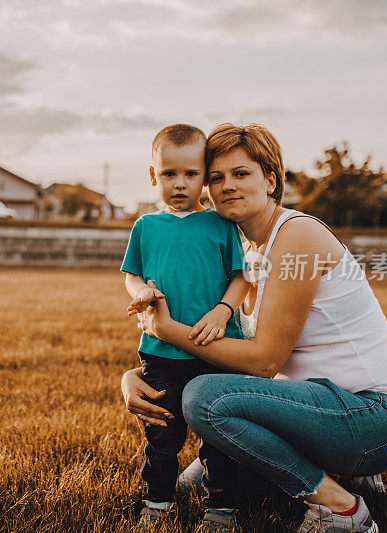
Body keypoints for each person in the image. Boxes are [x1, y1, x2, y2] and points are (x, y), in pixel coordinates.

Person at [122, 123, 387, 533]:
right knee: (194, 480)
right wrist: (136, 375)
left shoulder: (297, 236)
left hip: (375, 415)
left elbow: (263, 362)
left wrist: (164, 328)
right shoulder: (246, 253)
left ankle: (342, 508)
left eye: (241, 174)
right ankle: (344, 469)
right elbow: (234, 348)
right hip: (317, 407)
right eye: (216, 176)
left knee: (203, 398)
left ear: (271, 179)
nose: (226, 186)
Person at [122, 124, 251, 530]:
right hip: (162, 352)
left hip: (216, 348)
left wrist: (223, 310)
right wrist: (141, 289)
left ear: (205, 177)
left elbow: (242, 276)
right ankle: (156, 503)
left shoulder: (220, 225)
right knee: (162, 436)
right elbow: (130, 274)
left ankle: (222, 510)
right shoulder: (146, 226)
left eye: (191, 174)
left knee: (218, 438)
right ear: (152, 175)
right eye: (169, 174)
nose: (180, 184)